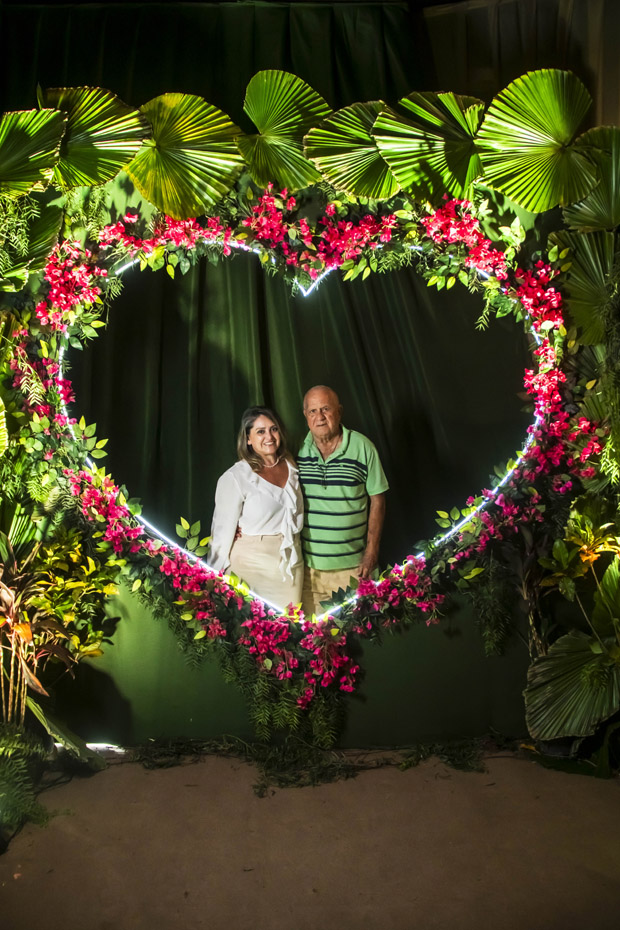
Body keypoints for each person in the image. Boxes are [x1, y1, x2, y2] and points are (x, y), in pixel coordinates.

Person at [297, 385, 388, 616]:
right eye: (313, 411)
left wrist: (372, 552)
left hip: (353, 570)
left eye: (326, 409)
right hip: (308, 573)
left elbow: (378, 500)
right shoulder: (297, 451)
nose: (319, 417)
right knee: (313, 636)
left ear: (339, 411)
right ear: (305, 415)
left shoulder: (363, 447)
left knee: (357, 634)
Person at [209, 406, 304, 607]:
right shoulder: (236, 477)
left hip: (290, 565)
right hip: (250, 567)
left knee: (290, 623)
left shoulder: (291, 464)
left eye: (273, 429)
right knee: (249, 625)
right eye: (260, 431)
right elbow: (221, 534)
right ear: (248, 439)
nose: (269, 436)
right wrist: (213, 579)